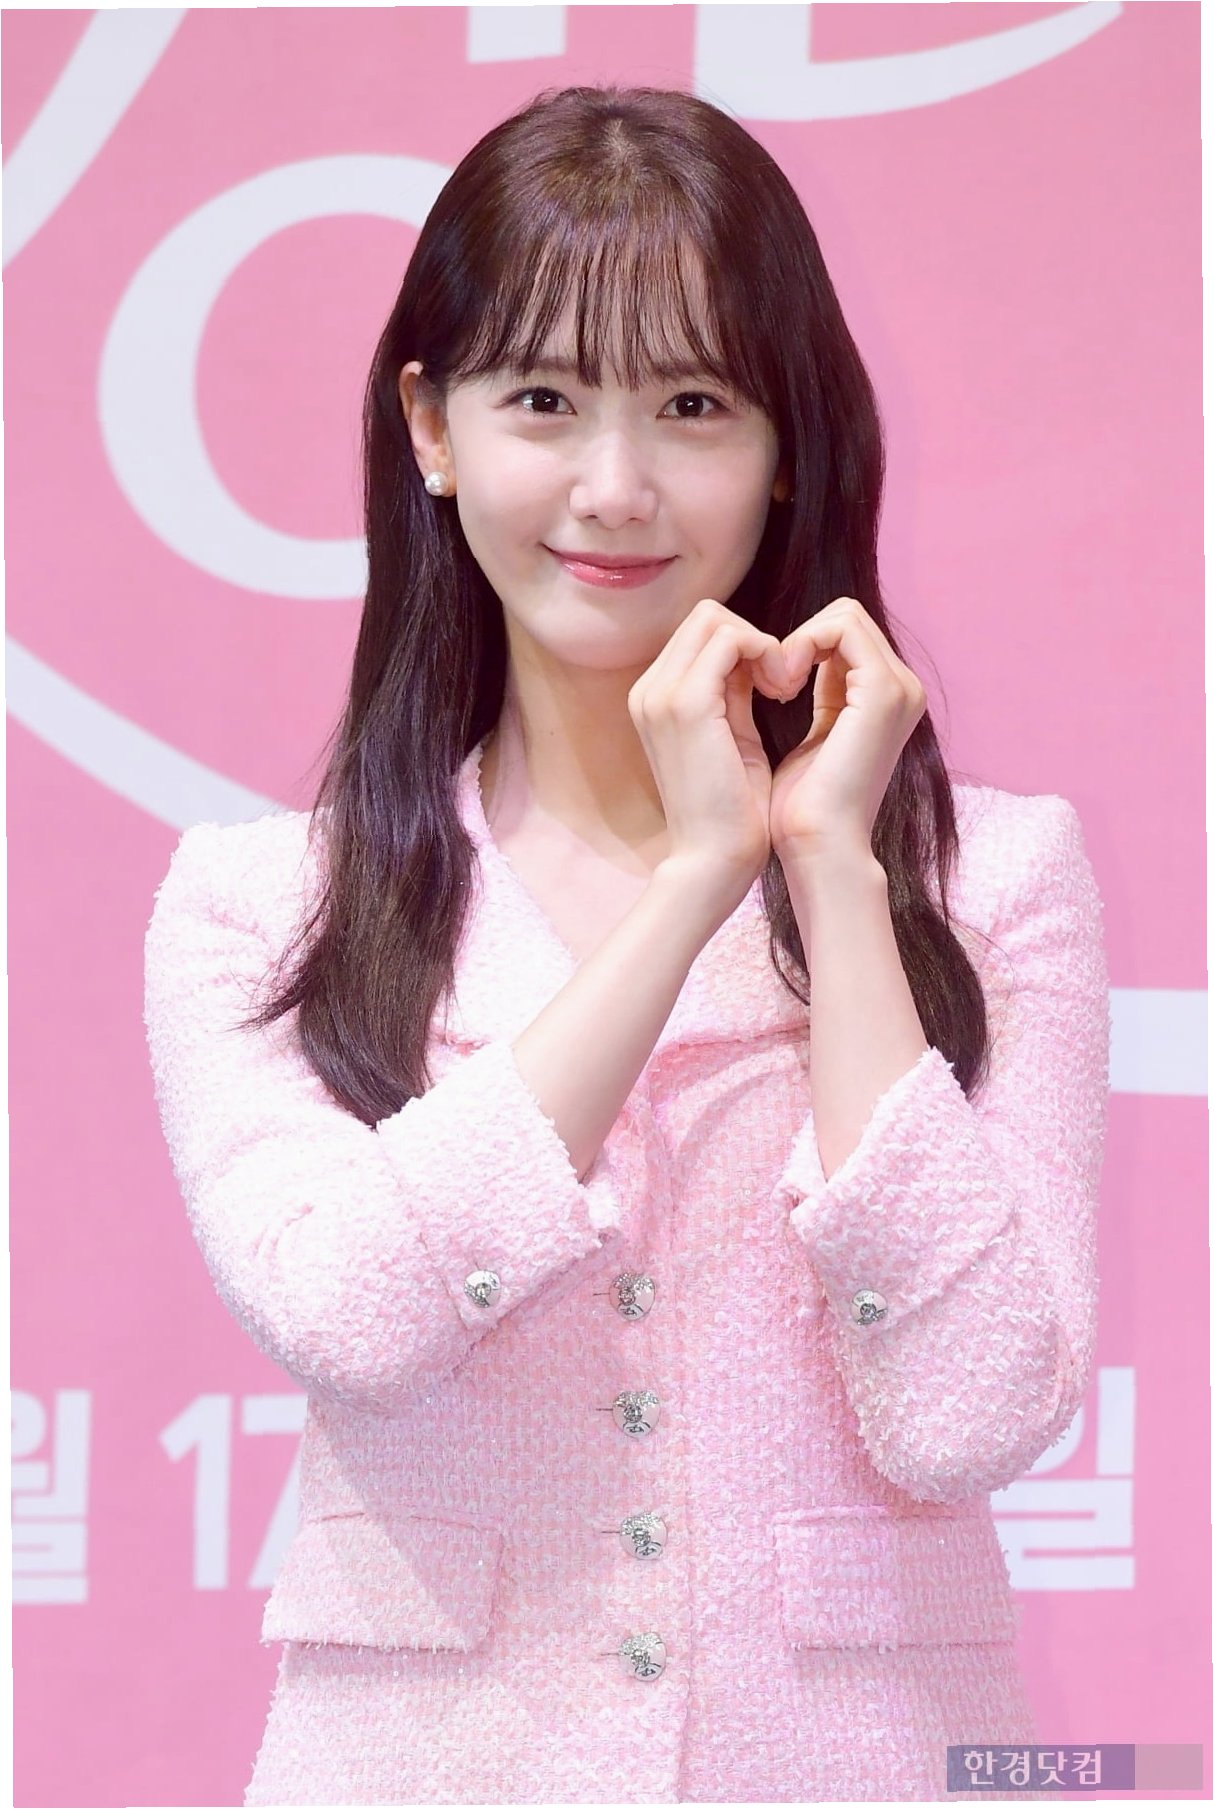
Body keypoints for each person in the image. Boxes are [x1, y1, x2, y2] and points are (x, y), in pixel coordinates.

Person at [143, 83, 1110, 1805]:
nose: (612, 485)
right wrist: (687, 890)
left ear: (787, 442)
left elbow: (971, 1411)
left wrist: (829, 871)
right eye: (541, 400)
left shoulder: (992, 882)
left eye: (691, 403)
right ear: (431, 428)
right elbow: (351, 1315)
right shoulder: (264, 908)